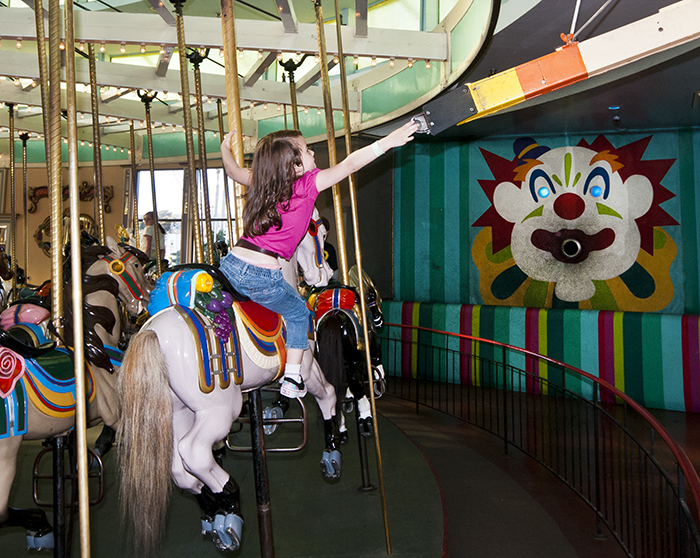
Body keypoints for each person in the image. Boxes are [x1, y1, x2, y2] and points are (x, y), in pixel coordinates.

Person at [219, 120, 418, 398]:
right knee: (300, 312)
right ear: (294, 165)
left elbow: (232, 171)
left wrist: (224, 148)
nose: (313, 154)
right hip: (263, 273)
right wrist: (387, 142)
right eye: (307, 150)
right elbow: (349, 165)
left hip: (230, 265)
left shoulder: (262, 180)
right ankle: (292, 378)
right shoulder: (307, 185)